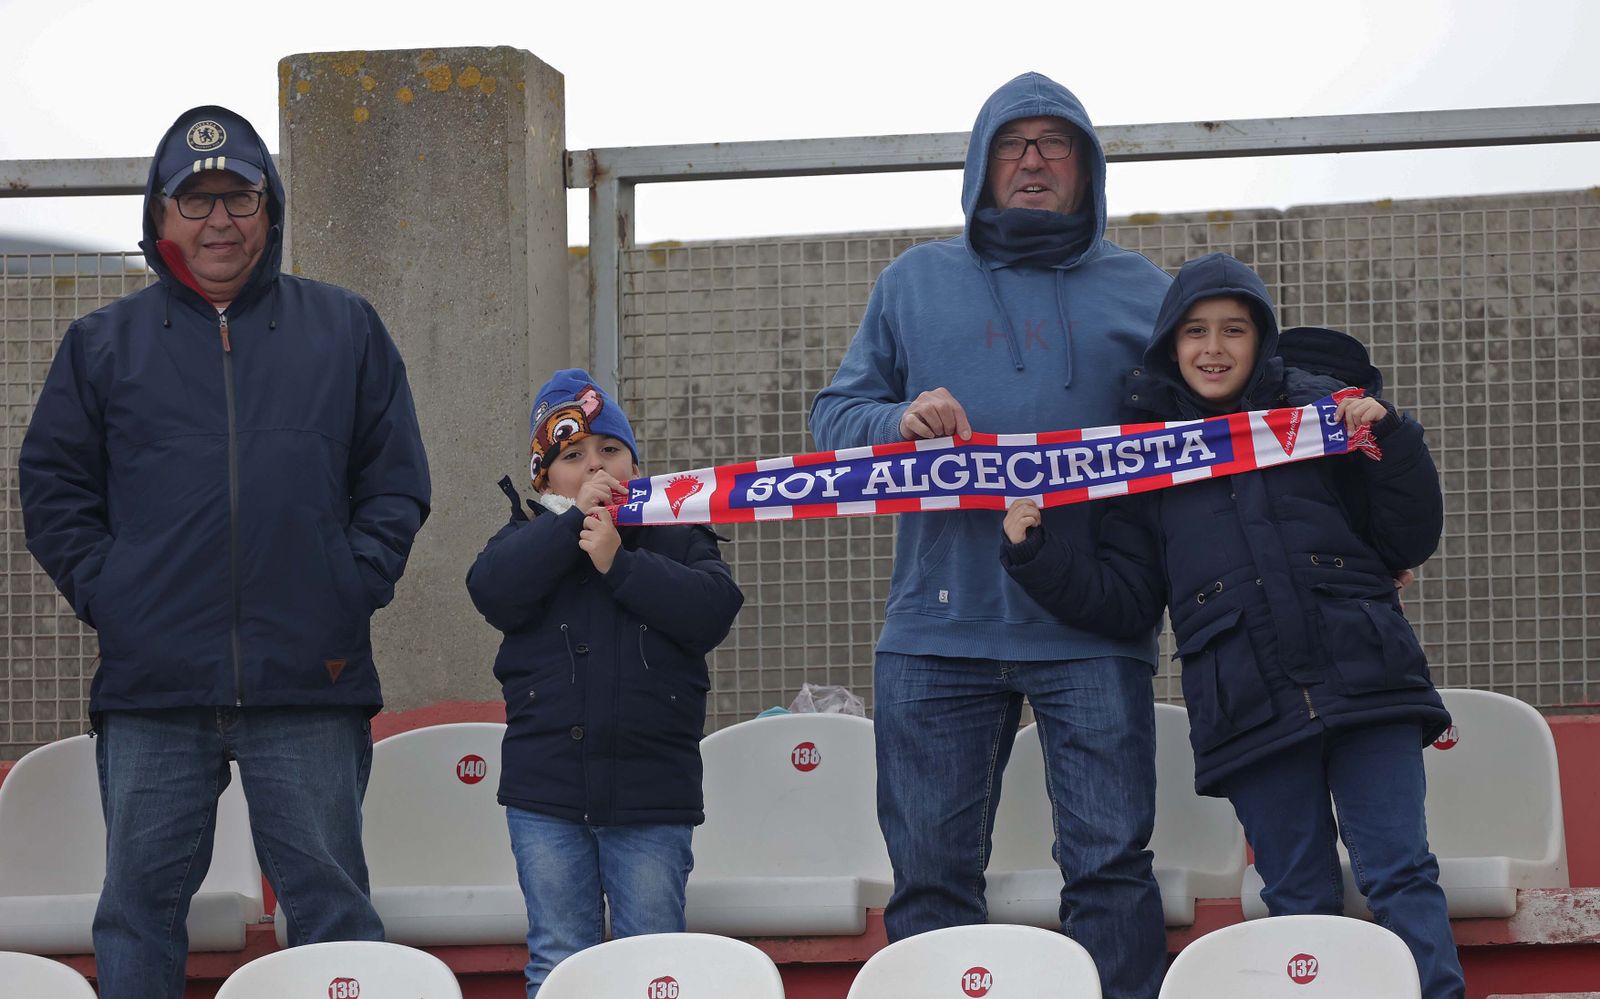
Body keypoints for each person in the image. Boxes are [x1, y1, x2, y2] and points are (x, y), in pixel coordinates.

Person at [18, 106, 431, 998]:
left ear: (269, 206)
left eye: (239, 196)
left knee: (332, 910)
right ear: (160, 215)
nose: (219, 220)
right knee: (137, 913)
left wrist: (349, 581)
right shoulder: (102, 345)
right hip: (154, 687)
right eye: (195, 199)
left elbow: (396, 481)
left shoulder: (345, 328)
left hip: (309, 678)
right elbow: (53, 491)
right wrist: (114, 595)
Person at [1001, 252, 1464, 998]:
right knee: (1297, 895)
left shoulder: (1322, 416)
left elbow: (1405, 539)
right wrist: (1037, 557)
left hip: (1369, 684)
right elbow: (1126, 599)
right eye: (1195, 332)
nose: (1213, 348)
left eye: (1234, 329)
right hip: (1248, 707)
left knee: (1401, 872)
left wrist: (1394, 441)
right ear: (1169, 346)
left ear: (1262, 340)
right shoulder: (1140, 455)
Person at [808, 72, 1172, 998]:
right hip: (938, 630)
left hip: (1093, 626)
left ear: (1088, 168)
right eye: (1014, 143)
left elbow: (1221, 424)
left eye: (1057, 143)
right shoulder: (912, 282)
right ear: (980, 164)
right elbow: (833, 420)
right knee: (931, 883)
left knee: (1111, 872)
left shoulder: (1147, 292)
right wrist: (898, 422)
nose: (1034, 160)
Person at [465, 370, 744, 998]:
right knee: (558, 959)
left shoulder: (674, 532)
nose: (595, 465)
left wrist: (619, 563)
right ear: (544, 480)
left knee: (653, 963)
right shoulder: (527, 538)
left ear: (635, 464)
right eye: (573, 456)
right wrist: (570, 528)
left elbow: (712, 610)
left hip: (651, 792)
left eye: (610, 449)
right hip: (546, 796)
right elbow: (492, 591)